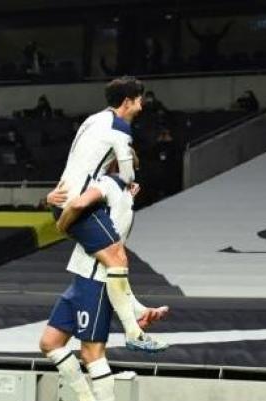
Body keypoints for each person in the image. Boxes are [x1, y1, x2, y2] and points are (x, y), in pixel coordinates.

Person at [41, 170, 168, 401]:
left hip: (95, 283)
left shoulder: (108, 185)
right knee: (50, 343)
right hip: (81, 277)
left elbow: (75, 207)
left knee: (92, 353)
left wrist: (57, 216)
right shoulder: (119, 193)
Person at [51, 75, 166, 354]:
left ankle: (136, 315)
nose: (141, 106)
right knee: (116, 258)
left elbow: (78, 161)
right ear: (127, 101)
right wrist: (62, 224)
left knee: (115, 260)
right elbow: (127, 175)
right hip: (78, 203)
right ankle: (133, 331)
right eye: (139, 100)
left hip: (67, 195)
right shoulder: (119, 129)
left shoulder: (93, 120)